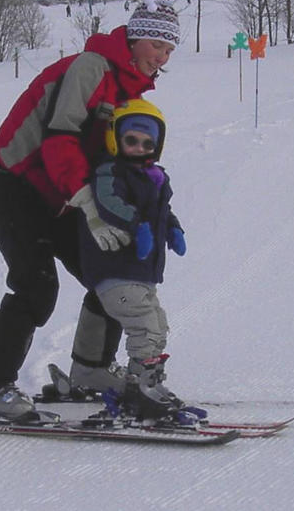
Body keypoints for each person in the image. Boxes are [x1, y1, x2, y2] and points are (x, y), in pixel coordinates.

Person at [0, 0, 180, 419]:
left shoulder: (127, 85)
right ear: (135, 38)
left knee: (112, 276)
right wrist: (88, 204)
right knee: (36, 286)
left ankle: (92, 369)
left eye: (169, 50)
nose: (162, 57)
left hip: (62, 191)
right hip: (18, 184)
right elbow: (60, 138)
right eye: (158, 44)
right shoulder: (92, 68)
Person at [77, 98, 187, 420]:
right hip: (114, 270)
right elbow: (109, 203)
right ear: (116, 139)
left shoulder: (155, 178)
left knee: (158, 326)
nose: (139, 148)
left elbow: (161, 211)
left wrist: (173, 228)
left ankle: (149, 382)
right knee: (143, 325)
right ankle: (138, 390)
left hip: (141, 272)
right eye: (131, 140)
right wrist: (136, 225)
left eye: (147, 142)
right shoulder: (110, 172)